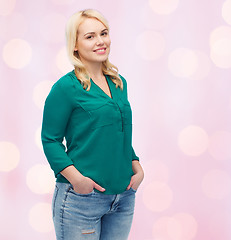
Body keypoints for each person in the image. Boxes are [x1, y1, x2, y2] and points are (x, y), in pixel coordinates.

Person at [41, 9, 144, 240]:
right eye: (90, 36)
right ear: (75, 45)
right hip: (82, 200)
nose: (100, 41)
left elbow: (118, 131)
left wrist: (135, 164)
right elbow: (50, 140)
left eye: (103, 33)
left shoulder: (118, 83)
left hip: (123, 198)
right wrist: (77, 180)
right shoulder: (66, 88)